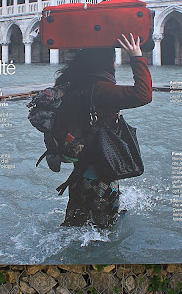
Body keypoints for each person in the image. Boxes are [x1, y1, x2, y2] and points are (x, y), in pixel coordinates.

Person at [53, 34, 152, 228]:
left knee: (75, 228)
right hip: (102, 178)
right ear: (104, 64)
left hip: (79, 174)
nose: (115, 66)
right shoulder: (101, 90)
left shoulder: (71, 87)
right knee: (103, 235)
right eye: (113, 61)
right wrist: (136, 56)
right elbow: (144, 94)